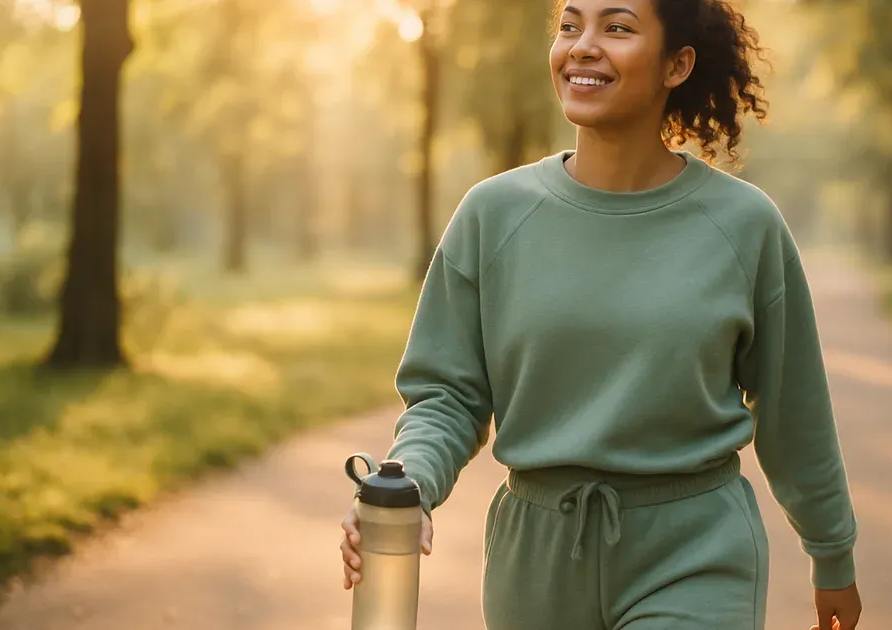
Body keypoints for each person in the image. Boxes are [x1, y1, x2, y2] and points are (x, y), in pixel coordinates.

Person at [340, 0, 863, 628]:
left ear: (677, 64)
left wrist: (831, 551)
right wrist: (408, 489)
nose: (583, 46)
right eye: (570, 25)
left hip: (694, 550)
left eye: (616, 28)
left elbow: (792, 405)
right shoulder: (493, 215)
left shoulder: (744, 226)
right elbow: (448, 395)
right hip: (535, 560)